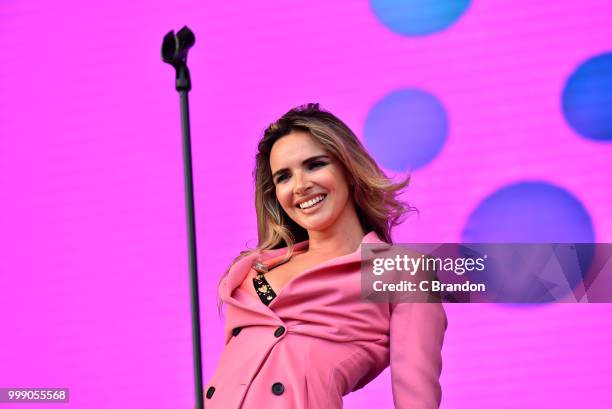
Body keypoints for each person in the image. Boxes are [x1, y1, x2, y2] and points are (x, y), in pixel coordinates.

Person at [204, 103, 447, 408]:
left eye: (315, 164)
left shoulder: (400, 271)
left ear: (348, 168)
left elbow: (416, 399)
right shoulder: (253, 273)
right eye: (283, 177)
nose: (300, 186)